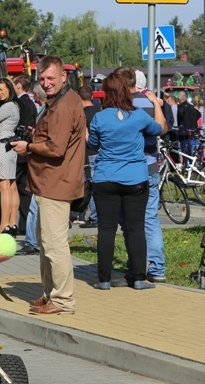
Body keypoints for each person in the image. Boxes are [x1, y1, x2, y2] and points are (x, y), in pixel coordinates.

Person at [12, 55, 86, 315]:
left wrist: (28, 146)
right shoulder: (60, 101)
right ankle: (50, 293)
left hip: (57, 182)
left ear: (63, 76)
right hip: (49, 181)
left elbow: (55, 148)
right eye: (42, 79)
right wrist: (35, 136)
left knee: (55, 244)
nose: (46, 83)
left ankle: (63, 301)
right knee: (46, 242)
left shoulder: (64, 105)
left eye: (51, 78)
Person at [87, 73, 166, 290]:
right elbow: (160, 128)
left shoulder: (99, 117)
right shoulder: (138, 116)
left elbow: (93, 144)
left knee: (106, 229)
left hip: (106, 178)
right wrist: (156, 104)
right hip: (135, 179)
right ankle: (140, 278)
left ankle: (103, 280)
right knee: (135, 228)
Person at [113, 67, 167, 285]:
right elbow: (163, 129)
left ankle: (135, 265)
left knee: (128, 221)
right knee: (150, 219)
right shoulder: (149, 103)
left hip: (128, 169)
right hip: (151, 165)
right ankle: (157, 267)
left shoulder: (122, 107)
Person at [0, 78, 21, 235]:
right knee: (11, 187)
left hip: (1, 146)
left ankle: (3, 226)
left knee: (3, 187)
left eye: (1, 89)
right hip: (8, 146)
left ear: (9, 89)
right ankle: (12, 223)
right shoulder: (13, 106)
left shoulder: (8, 106)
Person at [19, 83, 48, 256]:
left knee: (34, 205)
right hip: (39, 162)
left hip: (41, 163)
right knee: (35, 205)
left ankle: (32, 241)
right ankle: (33, 240)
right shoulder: (44, 109)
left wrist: (32, 138)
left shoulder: (46, 110)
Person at [12, 75, 38, 235]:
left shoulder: (21, 103)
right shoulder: (31, 103)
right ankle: (24, 224)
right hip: (27, 149)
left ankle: (22, 225)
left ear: (19, 85)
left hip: (20, 149)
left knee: (16, 188)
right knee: (25, 189)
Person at [78, 85, 100, 229]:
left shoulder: (81, 115)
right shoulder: (99, 112)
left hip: (87, 153)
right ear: (92, 96)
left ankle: (93, 217)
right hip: (99, 152)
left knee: (89, 185)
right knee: (97, 184)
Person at [176, 90, 201, 162]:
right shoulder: (191, 107)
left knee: (185, 152)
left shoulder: (181, 107)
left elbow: (180, 115)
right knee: (192, 151)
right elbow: (199, 114)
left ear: (179, 99)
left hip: (184, 133)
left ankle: (186, 167)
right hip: (193, 132)